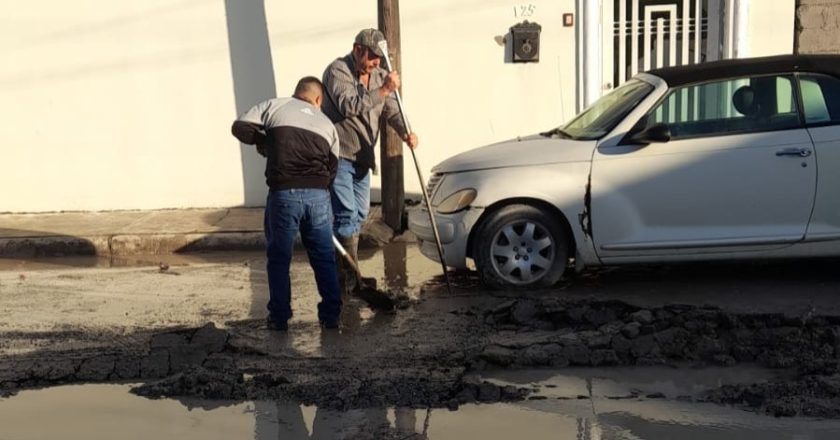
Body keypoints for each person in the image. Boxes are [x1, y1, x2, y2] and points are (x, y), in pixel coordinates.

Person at [231, 76, 342, 330]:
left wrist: (265, 141)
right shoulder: (327, 124)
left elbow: (239, 127)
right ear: (318, 100)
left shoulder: (276, 106)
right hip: (318, 198)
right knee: (324, 257)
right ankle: (331, 315)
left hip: (284, 195)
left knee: (280, 257)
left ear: (297, 93)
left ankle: (279, 317)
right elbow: (332, 168)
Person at [321, 28, 419, 293]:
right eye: (373, 57)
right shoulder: (337, 71)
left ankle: (344, 270)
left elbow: (391, 110)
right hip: (339, 154)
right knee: (346, 215)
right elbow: (348, 106)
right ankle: (348, 279)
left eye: (380, 58)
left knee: (360, 214)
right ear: (358, 50)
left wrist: (405, 131)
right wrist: (385, 89)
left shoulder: (378, 76)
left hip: (363, 156)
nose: (377, 62)